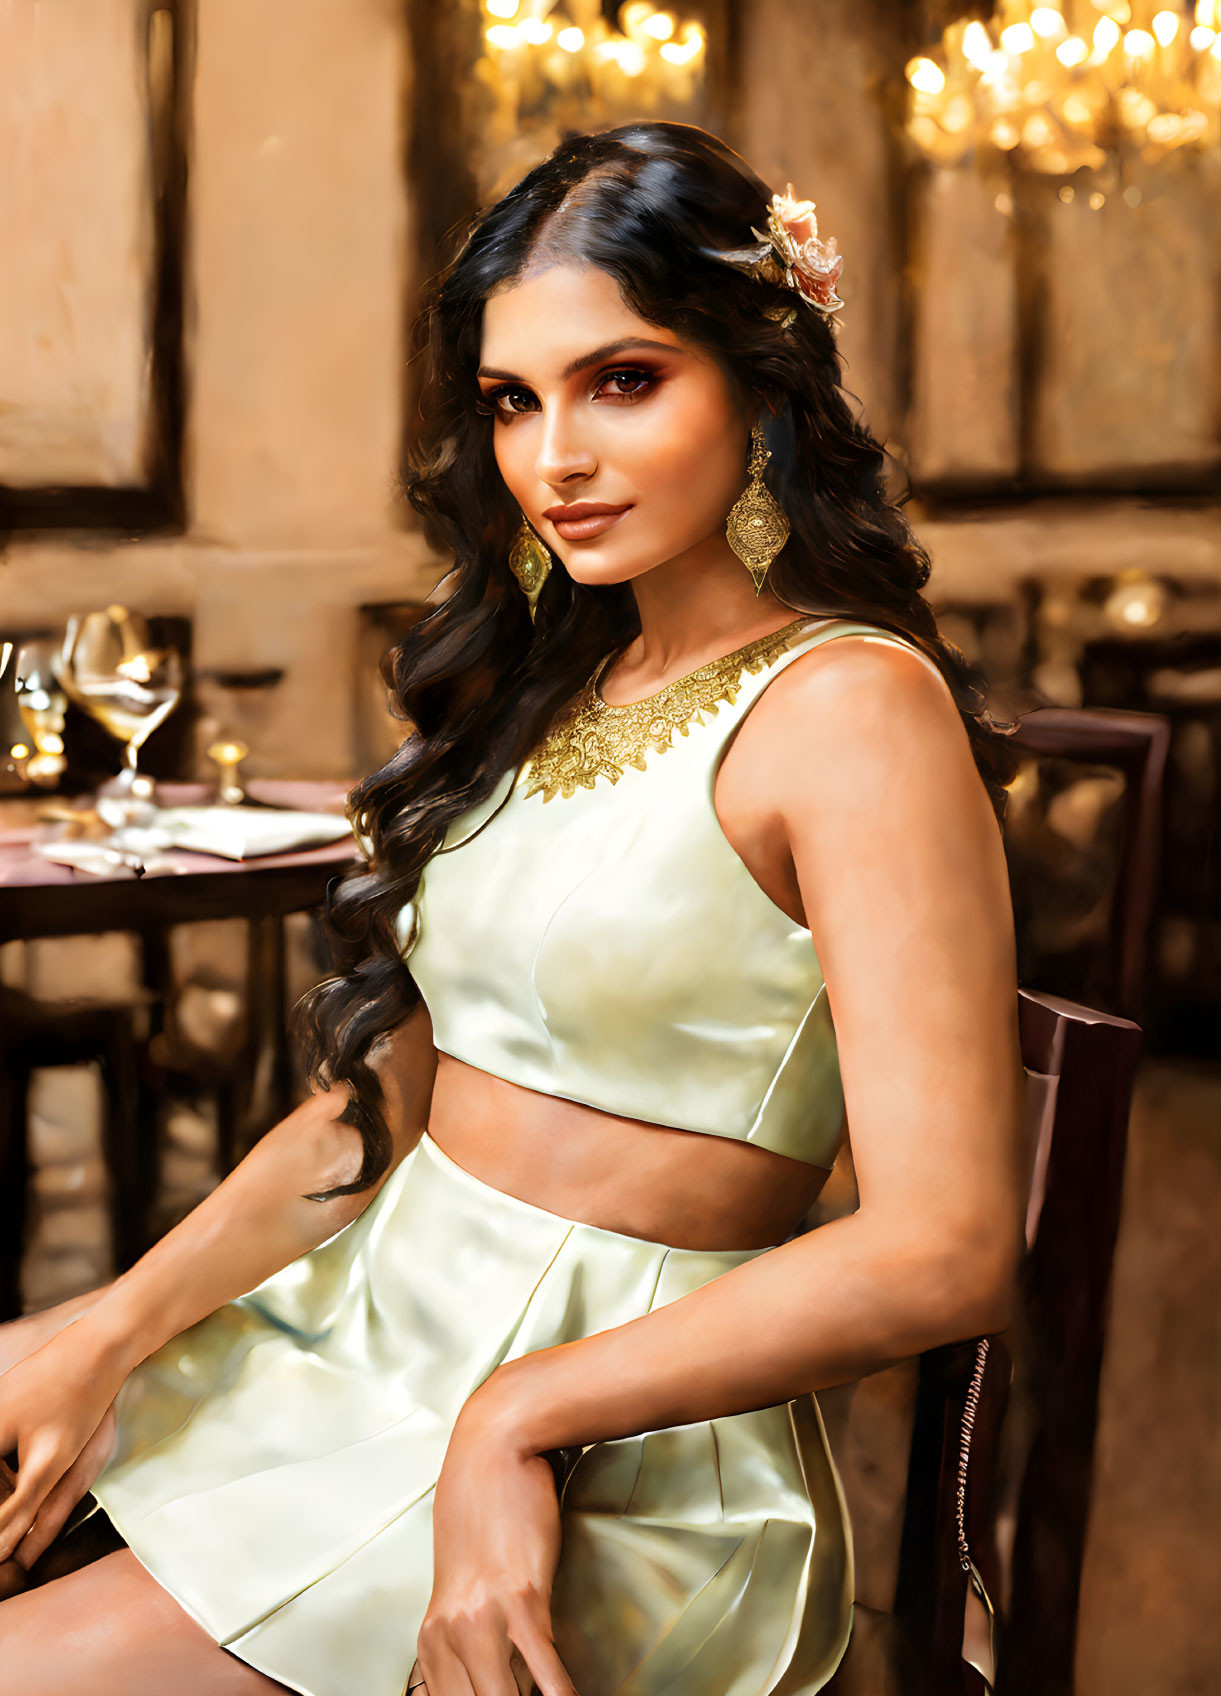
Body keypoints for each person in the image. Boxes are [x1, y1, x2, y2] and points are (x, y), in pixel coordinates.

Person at [0, 121, 1027, 1695]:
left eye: (622, 380)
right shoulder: (559, 684)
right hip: (365, 1337)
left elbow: (945, 1248)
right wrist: (112, 1322)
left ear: (760, 385)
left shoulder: (849, 710)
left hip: (625, 1451)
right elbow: (396, 1098)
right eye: (512, 400)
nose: (554, 456)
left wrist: (514, 1416)